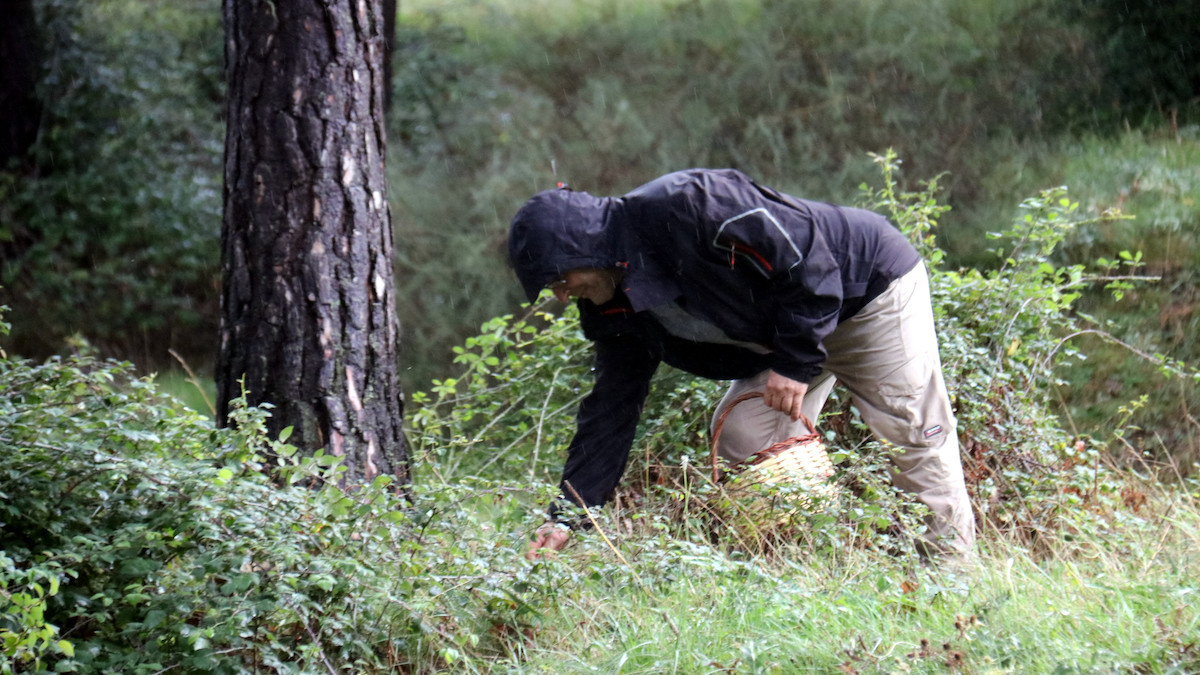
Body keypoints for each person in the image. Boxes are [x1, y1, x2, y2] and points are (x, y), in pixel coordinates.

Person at [507, 168, 975, 559]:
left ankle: (953, 588)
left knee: (914, 435)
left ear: (583, 246)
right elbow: (611, 410)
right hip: (786, 336)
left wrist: (794, 363)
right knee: (745, 436)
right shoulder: (611, 304)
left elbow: (808, 259)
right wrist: (570, 513)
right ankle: (817, 572)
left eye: (560, 278)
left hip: (864, 295)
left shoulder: (689, 204)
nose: (562, 295)